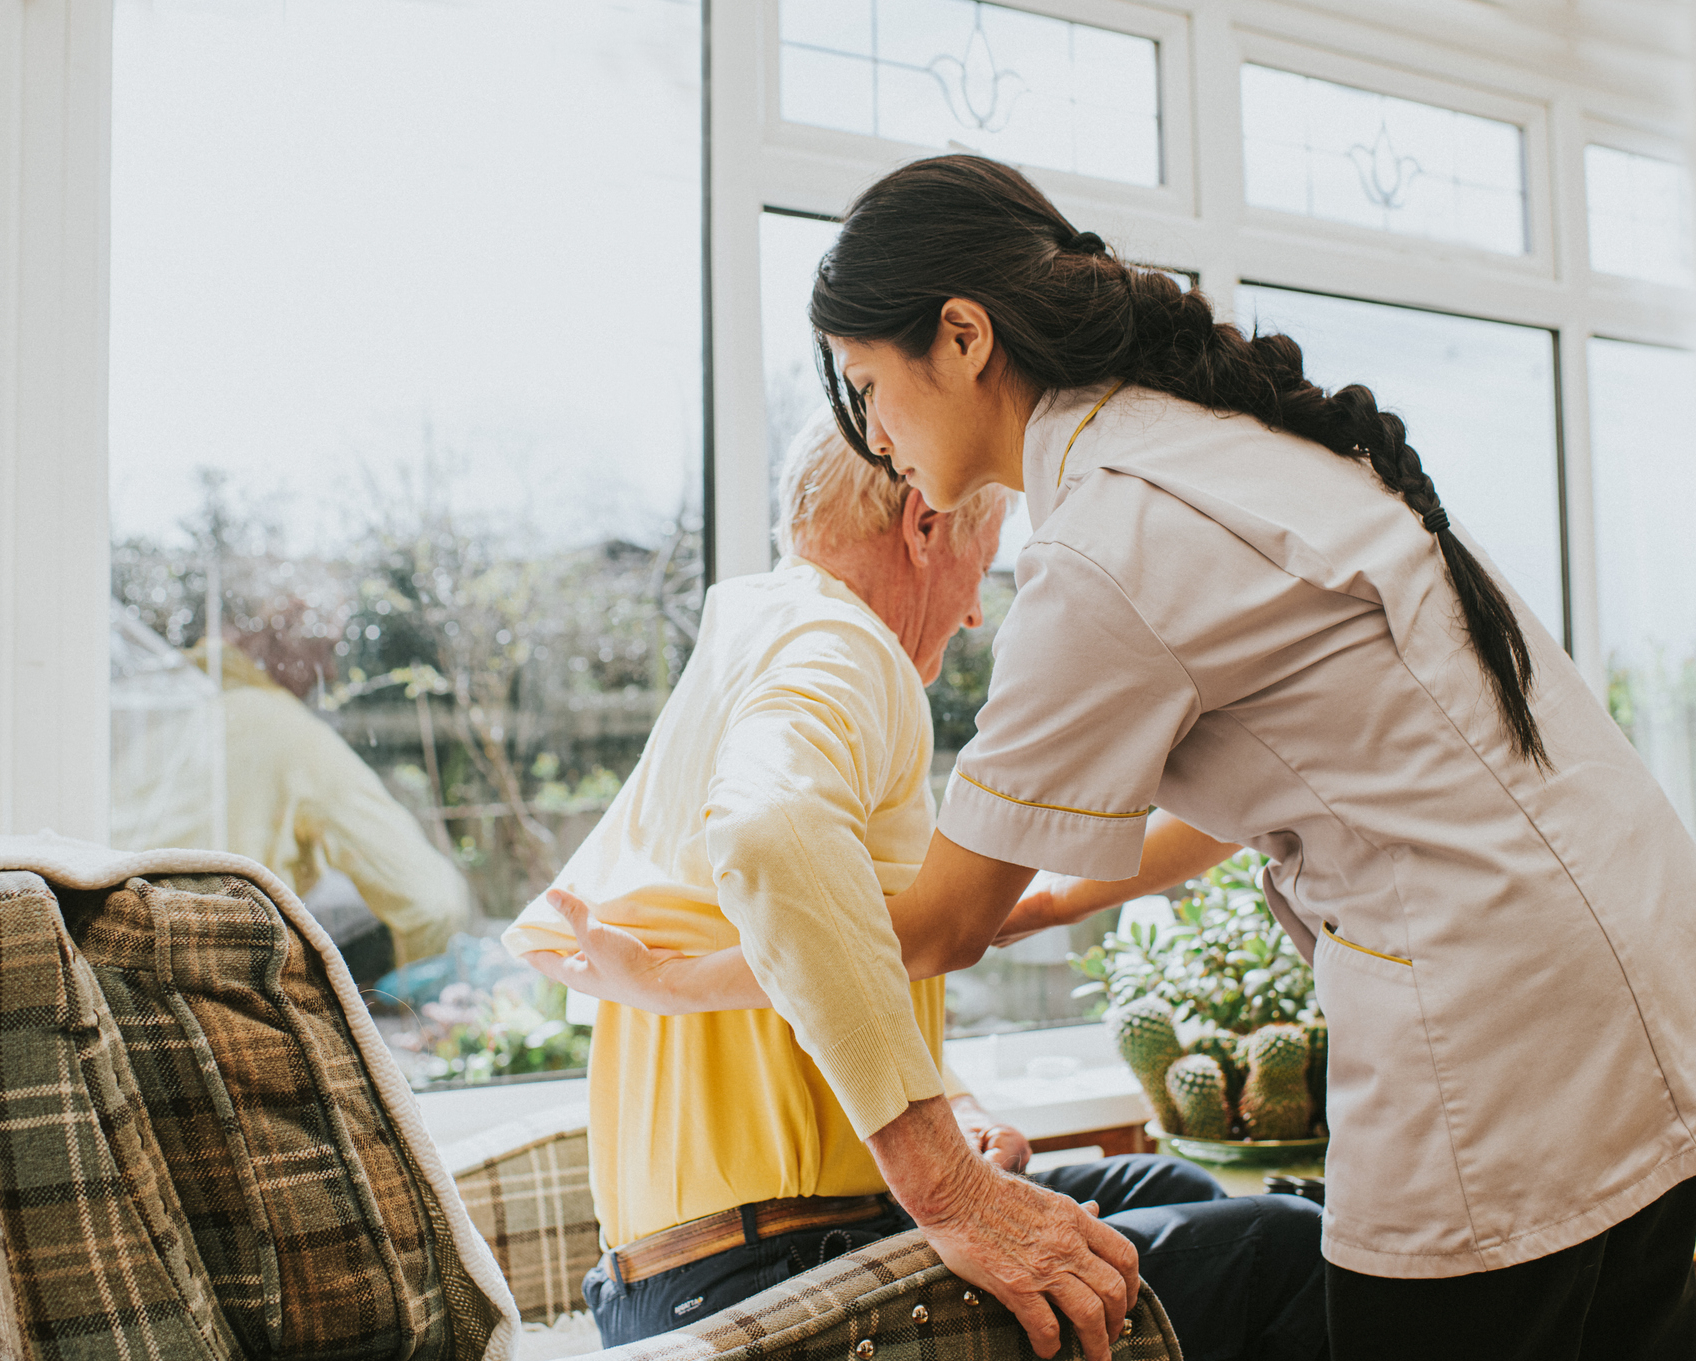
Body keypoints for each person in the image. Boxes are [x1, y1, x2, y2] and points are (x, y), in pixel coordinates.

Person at [559, 154, 1696, 1360]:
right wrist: (1042, 900)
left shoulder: (1102, 540)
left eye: (869, 384)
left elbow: (933, 920)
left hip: (1496, 1030)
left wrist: (672, 979)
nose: (877, 435)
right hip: (1637, 963)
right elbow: (1286, 786)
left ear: (963, 337)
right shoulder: (1208, 448)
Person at [506, 417, 1325, 1360]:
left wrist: (954, 1102)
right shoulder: (840, 644)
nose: (977, 611)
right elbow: (771, 832)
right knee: (1287, 1248)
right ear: (923, 523)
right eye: (986, 557)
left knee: (1168, 1188)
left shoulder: (758, 636)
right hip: (766, 1275)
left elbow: (879, 931)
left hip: (684, 1272)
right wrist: (948, 1185)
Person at [111, 606, 471, 966]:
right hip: (195, 977)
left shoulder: (144, 705)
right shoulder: (287, 731)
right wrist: (411, 991)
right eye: (326, 649)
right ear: (282, 636)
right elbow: (435, 906)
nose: (330, 672)